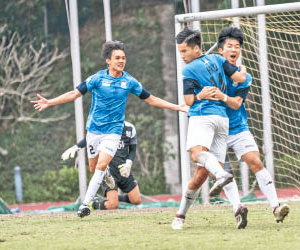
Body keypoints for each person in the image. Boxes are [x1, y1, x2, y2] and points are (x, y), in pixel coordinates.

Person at [32, 40, 187, 218]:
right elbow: (74, 93)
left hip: (113, 132)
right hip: (94, 130)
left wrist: (177, 107)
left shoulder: (129, 81)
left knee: (101, 164)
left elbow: (151, 99)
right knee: (93, 168)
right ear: (108, 60)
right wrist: (50, 102)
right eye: (117, 58)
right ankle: (105, 176)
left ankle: (85, 205)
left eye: (123, 58)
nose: (121, 61)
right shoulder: (97, 78)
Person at [198, 27, 290, 223]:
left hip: (238, 128)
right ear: (220, 51)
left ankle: (275, 207)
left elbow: (236, 103)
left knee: (255, 161)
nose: (234, 49)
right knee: (221, 173)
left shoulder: (244, 76)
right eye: (229, 46)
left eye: (237, 46)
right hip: (216, 130)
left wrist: (221, 95)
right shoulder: (209, 71)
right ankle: (238, 209)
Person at [171, 27, 248, 230]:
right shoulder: (217, 59)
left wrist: (199, 96)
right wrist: (243, 72)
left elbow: (188, 100)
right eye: (180, 52)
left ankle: (221, 176)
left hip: (202, 116)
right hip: (222, 119)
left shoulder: (188, 70)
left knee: (197, 155)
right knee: (201, 175)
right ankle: (237, 207)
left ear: (196, 48)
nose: (182, 55)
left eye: (184, 51)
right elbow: (239, 78)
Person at [61, 121, 141, 209]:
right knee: (112, 205)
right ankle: (95, 205)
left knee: (136, 200)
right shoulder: (105, 126)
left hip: (123, 170)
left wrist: (128, 164)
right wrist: (76, 147)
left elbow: (133, 149)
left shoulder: (130, 128)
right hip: (109, 172)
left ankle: (112, 198)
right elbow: (90, 139)